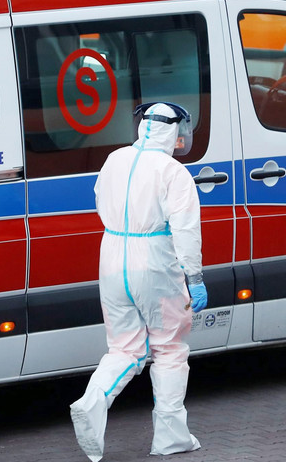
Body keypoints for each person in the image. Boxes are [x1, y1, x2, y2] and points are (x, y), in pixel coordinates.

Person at [70, 102, 208, 461]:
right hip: (156, 263)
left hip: (113, 257)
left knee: (124, 349)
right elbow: (186, 230)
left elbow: (100, 201)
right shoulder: (172, 171)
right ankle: (170, 438)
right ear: (174, 132)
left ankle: (93, 399)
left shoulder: (115, 159)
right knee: (169, 348)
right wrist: (194, 276)